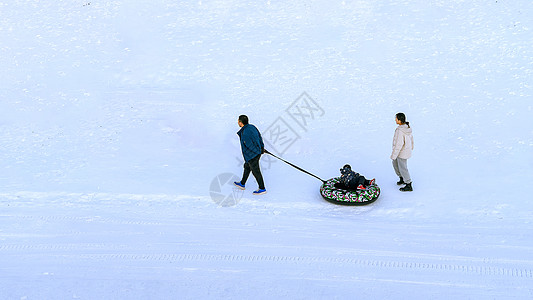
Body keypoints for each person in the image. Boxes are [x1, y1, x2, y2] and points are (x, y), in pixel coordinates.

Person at [234, 115, 267, 195]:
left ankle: (262, 188)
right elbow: (259, 137)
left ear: (241, 123)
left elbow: (249, 145)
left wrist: (257, 151)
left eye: (238, 121)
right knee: (247, 167)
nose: (237, 122)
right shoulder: (252, 127)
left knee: (256, 171)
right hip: (255, 153)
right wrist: (261, 148)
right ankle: (242, 183)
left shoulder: (245, 132)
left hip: (252, 155)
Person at [391, 112, 414, 192]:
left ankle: (408, 184)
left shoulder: (400, 131)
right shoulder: (406, 128)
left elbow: (398, 144)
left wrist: (394, 155)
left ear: (400, 120)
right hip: (404, 151)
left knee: (403, 167)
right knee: (395, 164)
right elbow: (411, 139)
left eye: (396, 118)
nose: (395, 120)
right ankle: (402, 178)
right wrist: (411, 147)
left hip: (401, 152)